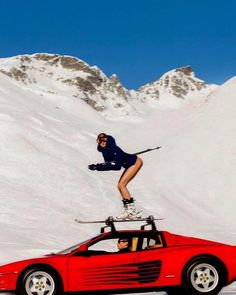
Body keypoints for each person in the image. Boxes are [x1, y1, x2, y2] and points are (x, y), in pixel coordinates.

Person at [88, 133, 143, 219]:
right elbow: (109, 163)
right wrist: (98, 166)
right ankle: (129, 210)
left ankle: (131, 212)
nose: (102, 142)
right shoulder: (105, 150)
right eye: (99, 140)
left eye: (104, 140)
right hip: (129, 164)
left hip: (134, 162)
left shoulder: (114, 149)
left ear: (108, 140)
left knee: (121, 185)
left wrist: (99, 167)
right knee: (120, 186)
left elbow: (117, 166)